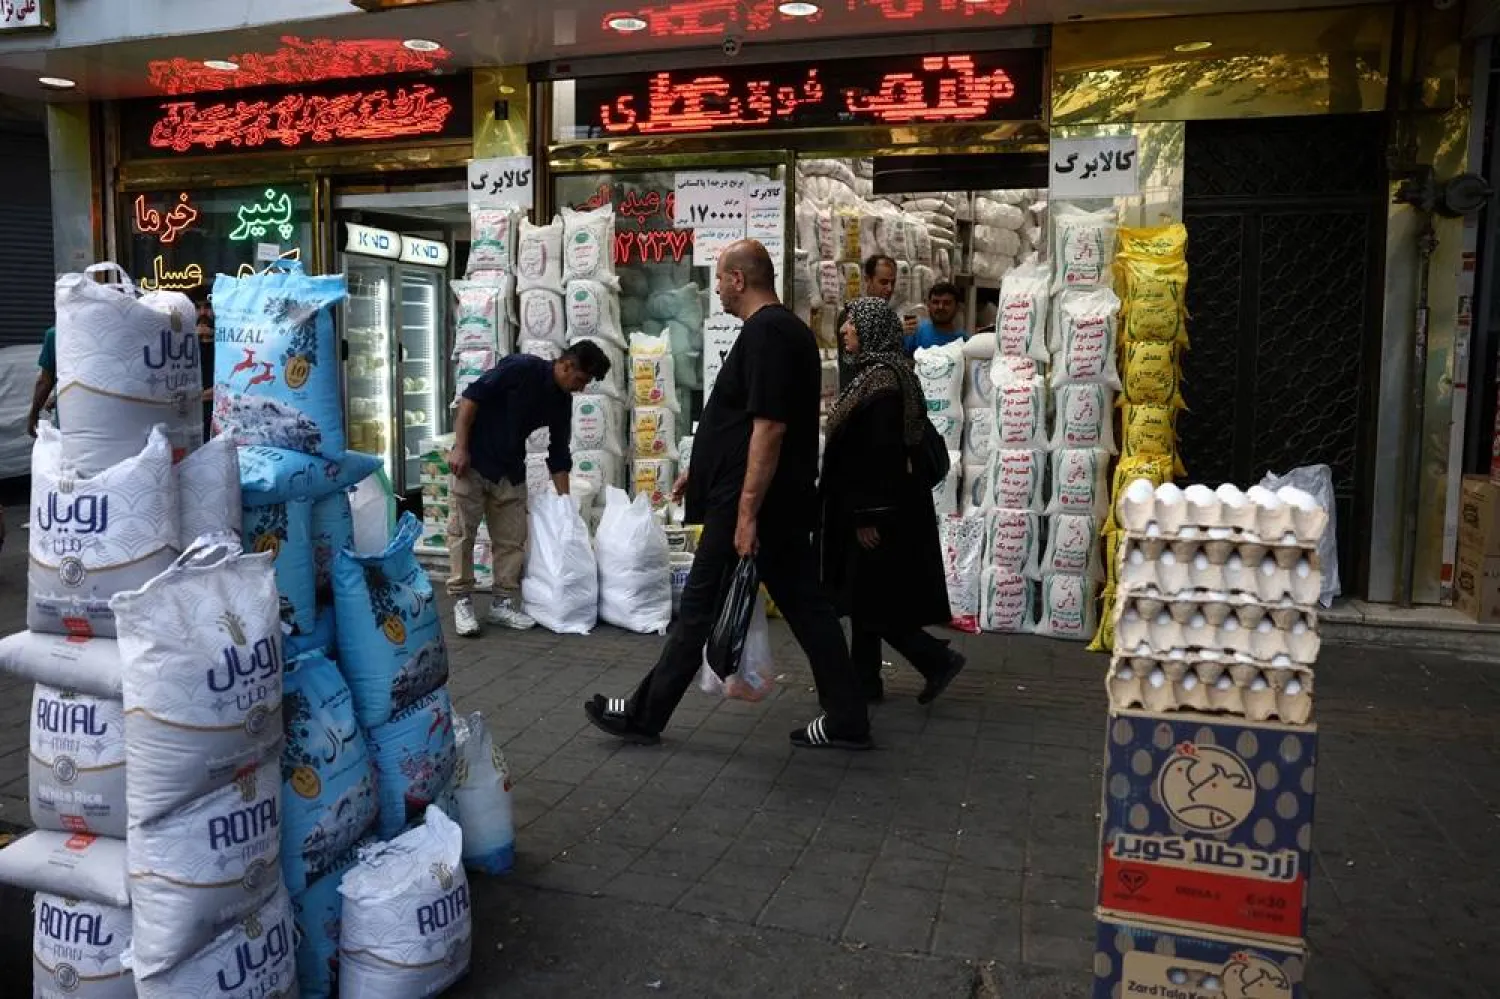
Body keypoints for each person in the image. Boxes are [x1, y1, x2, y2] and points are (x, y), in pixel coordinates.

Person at [585, 239, 870, 751]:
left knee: (698, 606)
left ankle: (645, 716)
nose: (716, 288)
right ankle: (847, 715)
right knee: (806, 607)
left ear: (739, 279)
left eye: (719, 278)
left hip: (755, 505)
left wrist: (745, 512)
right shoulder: (780, 333)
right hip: (763, 501)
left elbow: (770, 427)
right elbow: (742, 423)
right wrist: (700, 470)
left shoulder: (769, 333)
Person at [822, 298, 966, 704]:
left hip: (881, 511)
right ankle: (866, 683)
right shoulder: (880, 374)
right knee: (867, 596)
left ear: (869, 329)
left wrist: (866, 516)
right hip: (886, 507)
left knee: (871, 602)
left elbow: (879, 457)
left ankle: (934, 659)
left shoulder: (883, 383)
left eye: (851, 323)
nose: (845, 329)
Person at [447, 342, 612, 638]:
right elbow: (470, 399)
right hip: (473, 460)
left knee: (511, 539)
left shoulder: (561, 401)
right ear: (566, 366)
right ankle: (462, 601)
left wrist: (566, 507)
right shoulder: (520, 369)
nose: (581, 389)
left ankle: (502, 603)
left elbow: (559, 454)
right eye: (580, 381)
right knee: (462, 534)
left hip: (510, 468)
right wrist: (460, 448)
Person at [903, 281, 967, 354]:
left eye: (947, 303)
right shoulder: (915, 332)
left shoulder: (964, 341)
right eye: (935, 302)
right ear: (928, 305)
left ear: (957, 307)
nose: (940, 307)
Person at [187, 286, 215, 440]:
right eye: (197, 308)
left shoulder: (228, 344)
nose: (203, 313)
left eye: (208, 306)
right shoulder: (183, 346)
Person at [26, 325, 56, 437]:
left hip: (71, 421)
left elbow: (45, 381)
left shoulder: (56, 334)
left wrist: (33, 415)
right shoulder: (113, 331)